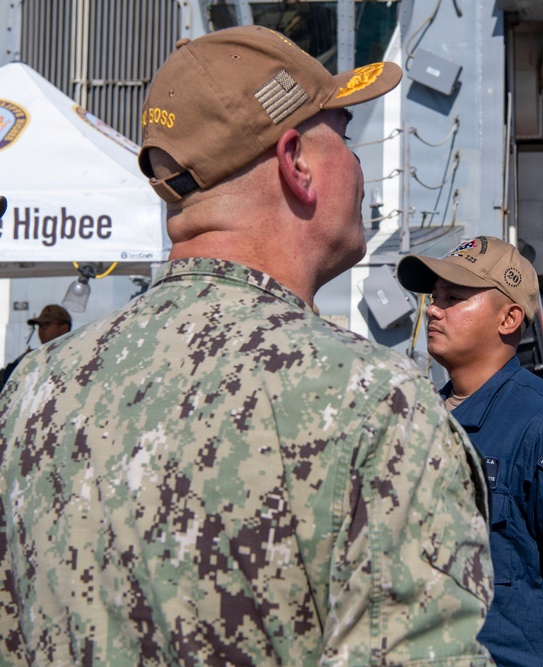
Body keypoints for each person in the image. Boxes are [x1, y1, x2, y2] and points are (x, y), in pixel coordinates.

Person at [0, 26, 494, 666]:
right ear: (296, 162)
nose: (357, 161)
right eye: (342, 134)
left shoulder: (34, 392)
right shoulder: (373, 405)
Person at [396, 236, 543, 667]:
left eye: (454, 297)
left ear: (509, 318)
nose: (433, 308)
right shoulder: (423, 418)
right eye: (435, 297)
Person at [0, 303, 72, 389]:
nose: (40, 330)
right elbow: (6, 379)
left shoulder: (73, 357)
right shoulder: (32, 357)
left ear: (63, 328)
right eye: (39, 326)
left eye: (45, 325)